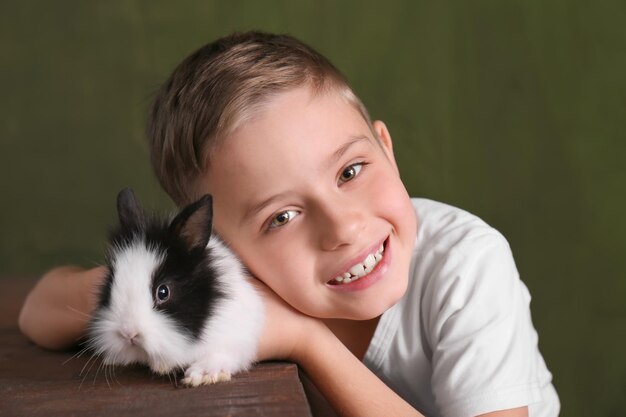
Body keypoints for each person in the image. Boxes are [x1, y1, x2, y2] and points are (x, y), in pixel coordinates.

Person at [19, 31, 559, 417]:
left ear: (386, 150)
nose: (343, 227)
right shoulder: (224, 291)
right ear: (218, 253)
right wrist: (139, 293)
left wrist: (307, 341)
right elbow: (39, 311)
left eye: (351, 170)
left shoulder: (468, 266)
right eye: (282, 216)